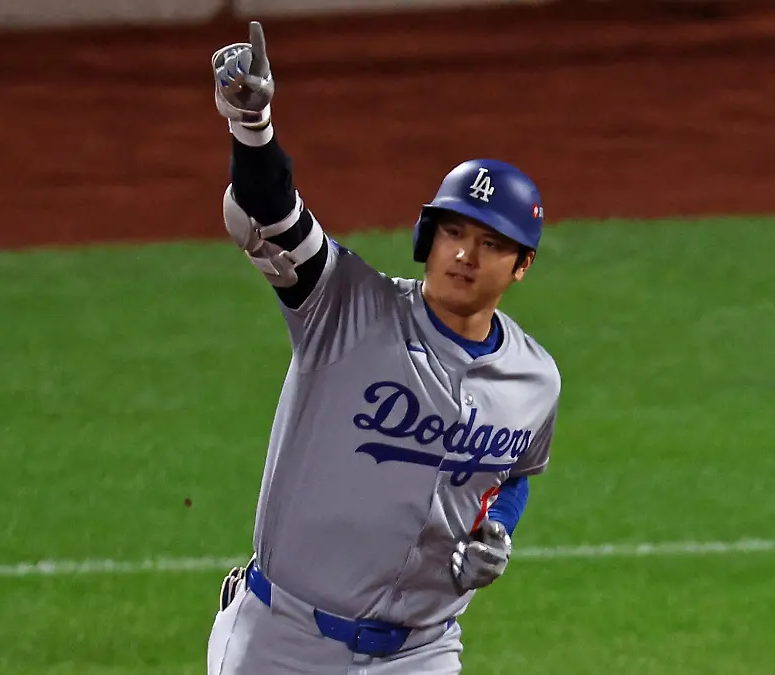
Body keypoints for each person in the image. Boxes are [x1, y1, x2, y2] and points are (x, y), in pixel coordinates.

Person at [206, 21, 563, 675]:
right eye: (453, 231)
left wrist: (495, 532)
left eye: (490, 242)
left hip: (422, 651)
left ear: (521, 266)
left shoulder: (535, 377)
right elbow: (272, 210)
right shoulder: (346, 305)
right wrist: (252, 127)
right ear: (428, 238)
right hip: (284, 643)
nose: (464, 253)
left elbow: (511, 473)